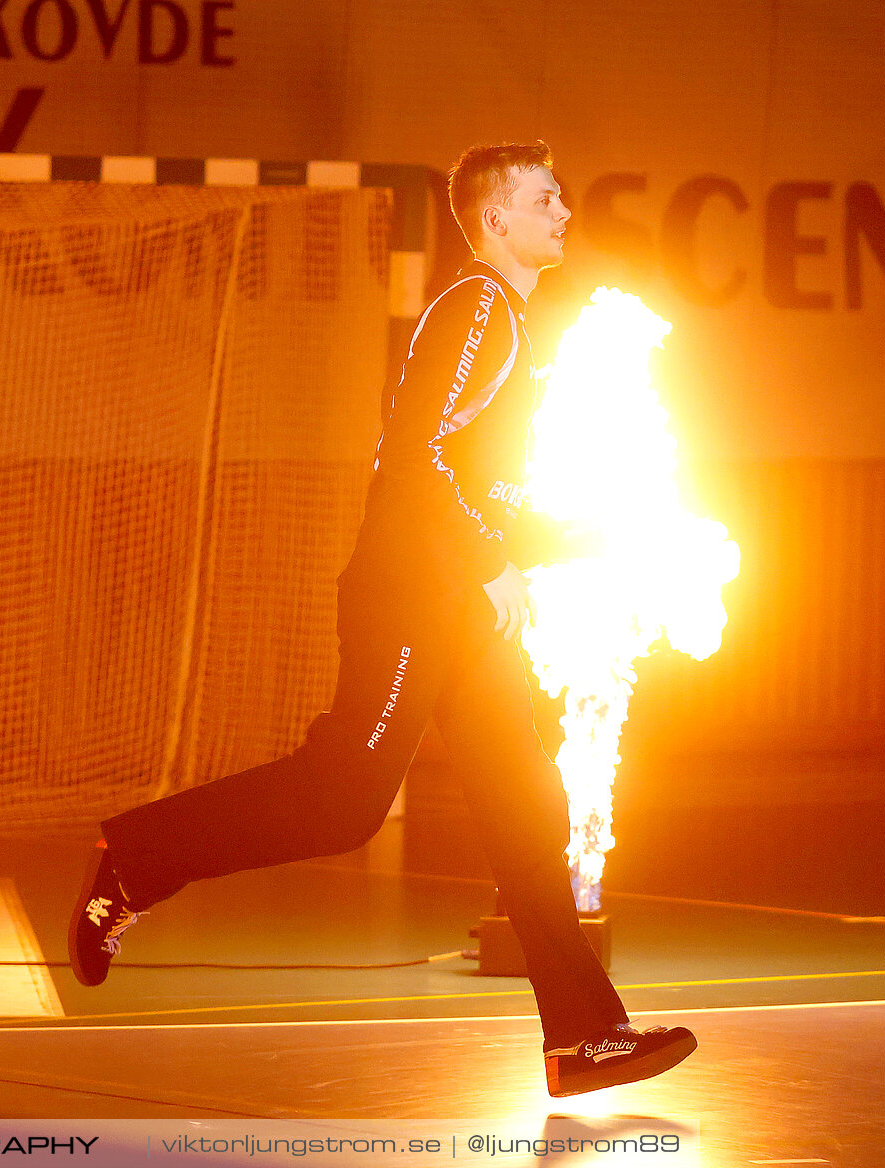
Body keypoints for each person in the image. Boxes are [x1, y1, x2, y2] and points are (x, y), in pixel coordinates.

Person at [68, 142, 697, 1098]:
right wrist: (489, 562)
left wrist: (594, 536)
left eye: (562, 193)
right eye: (542, 197)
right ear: (493, 221)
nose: (564, 210)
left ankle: (583, 1037)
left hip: (458, 612)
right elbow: (411, 458)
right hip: (411, 601)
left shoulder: (508, 320)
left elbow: (482, 488)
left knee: (528, 814)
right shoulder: (479, 309)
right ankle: (136, 860)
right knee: (342, 802)